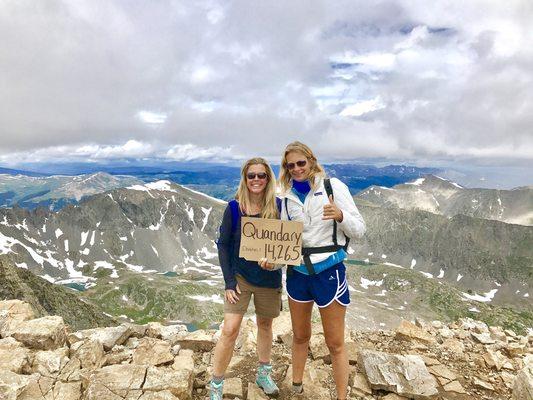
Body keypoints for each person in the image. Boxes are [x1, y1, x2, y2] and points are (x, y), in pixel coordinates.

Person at [277, 142, 365, 400]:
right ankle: (296, 388)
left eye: (300, 163)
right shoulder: (286, 196)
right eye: (290, 165)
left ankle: (341, 397)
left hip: (329, 273)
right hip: (297, 275)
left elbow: (359, 229)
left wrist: (340, 216)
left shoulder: (333, 187)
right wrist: (273, 260)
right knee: (300, 336)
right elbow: (284, 240)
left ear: (311, 161)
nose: (296, 169)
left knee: (335, 343)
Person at [210, 157, 282, 400]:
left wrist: (275, 262)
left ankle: (263, 373)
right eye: (251, 175)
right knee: (230, 330)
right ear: (245, 178)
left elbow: (287, 245)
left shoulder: (279, 207)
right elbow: (223, 245)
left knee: (265, 325)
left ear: (268, 179)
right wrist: (229, 282)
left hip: (269, 280)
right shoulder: (234, 208)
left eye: (261, 175)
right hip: (240, 278)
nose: (256, 180)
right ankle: (216, 384)